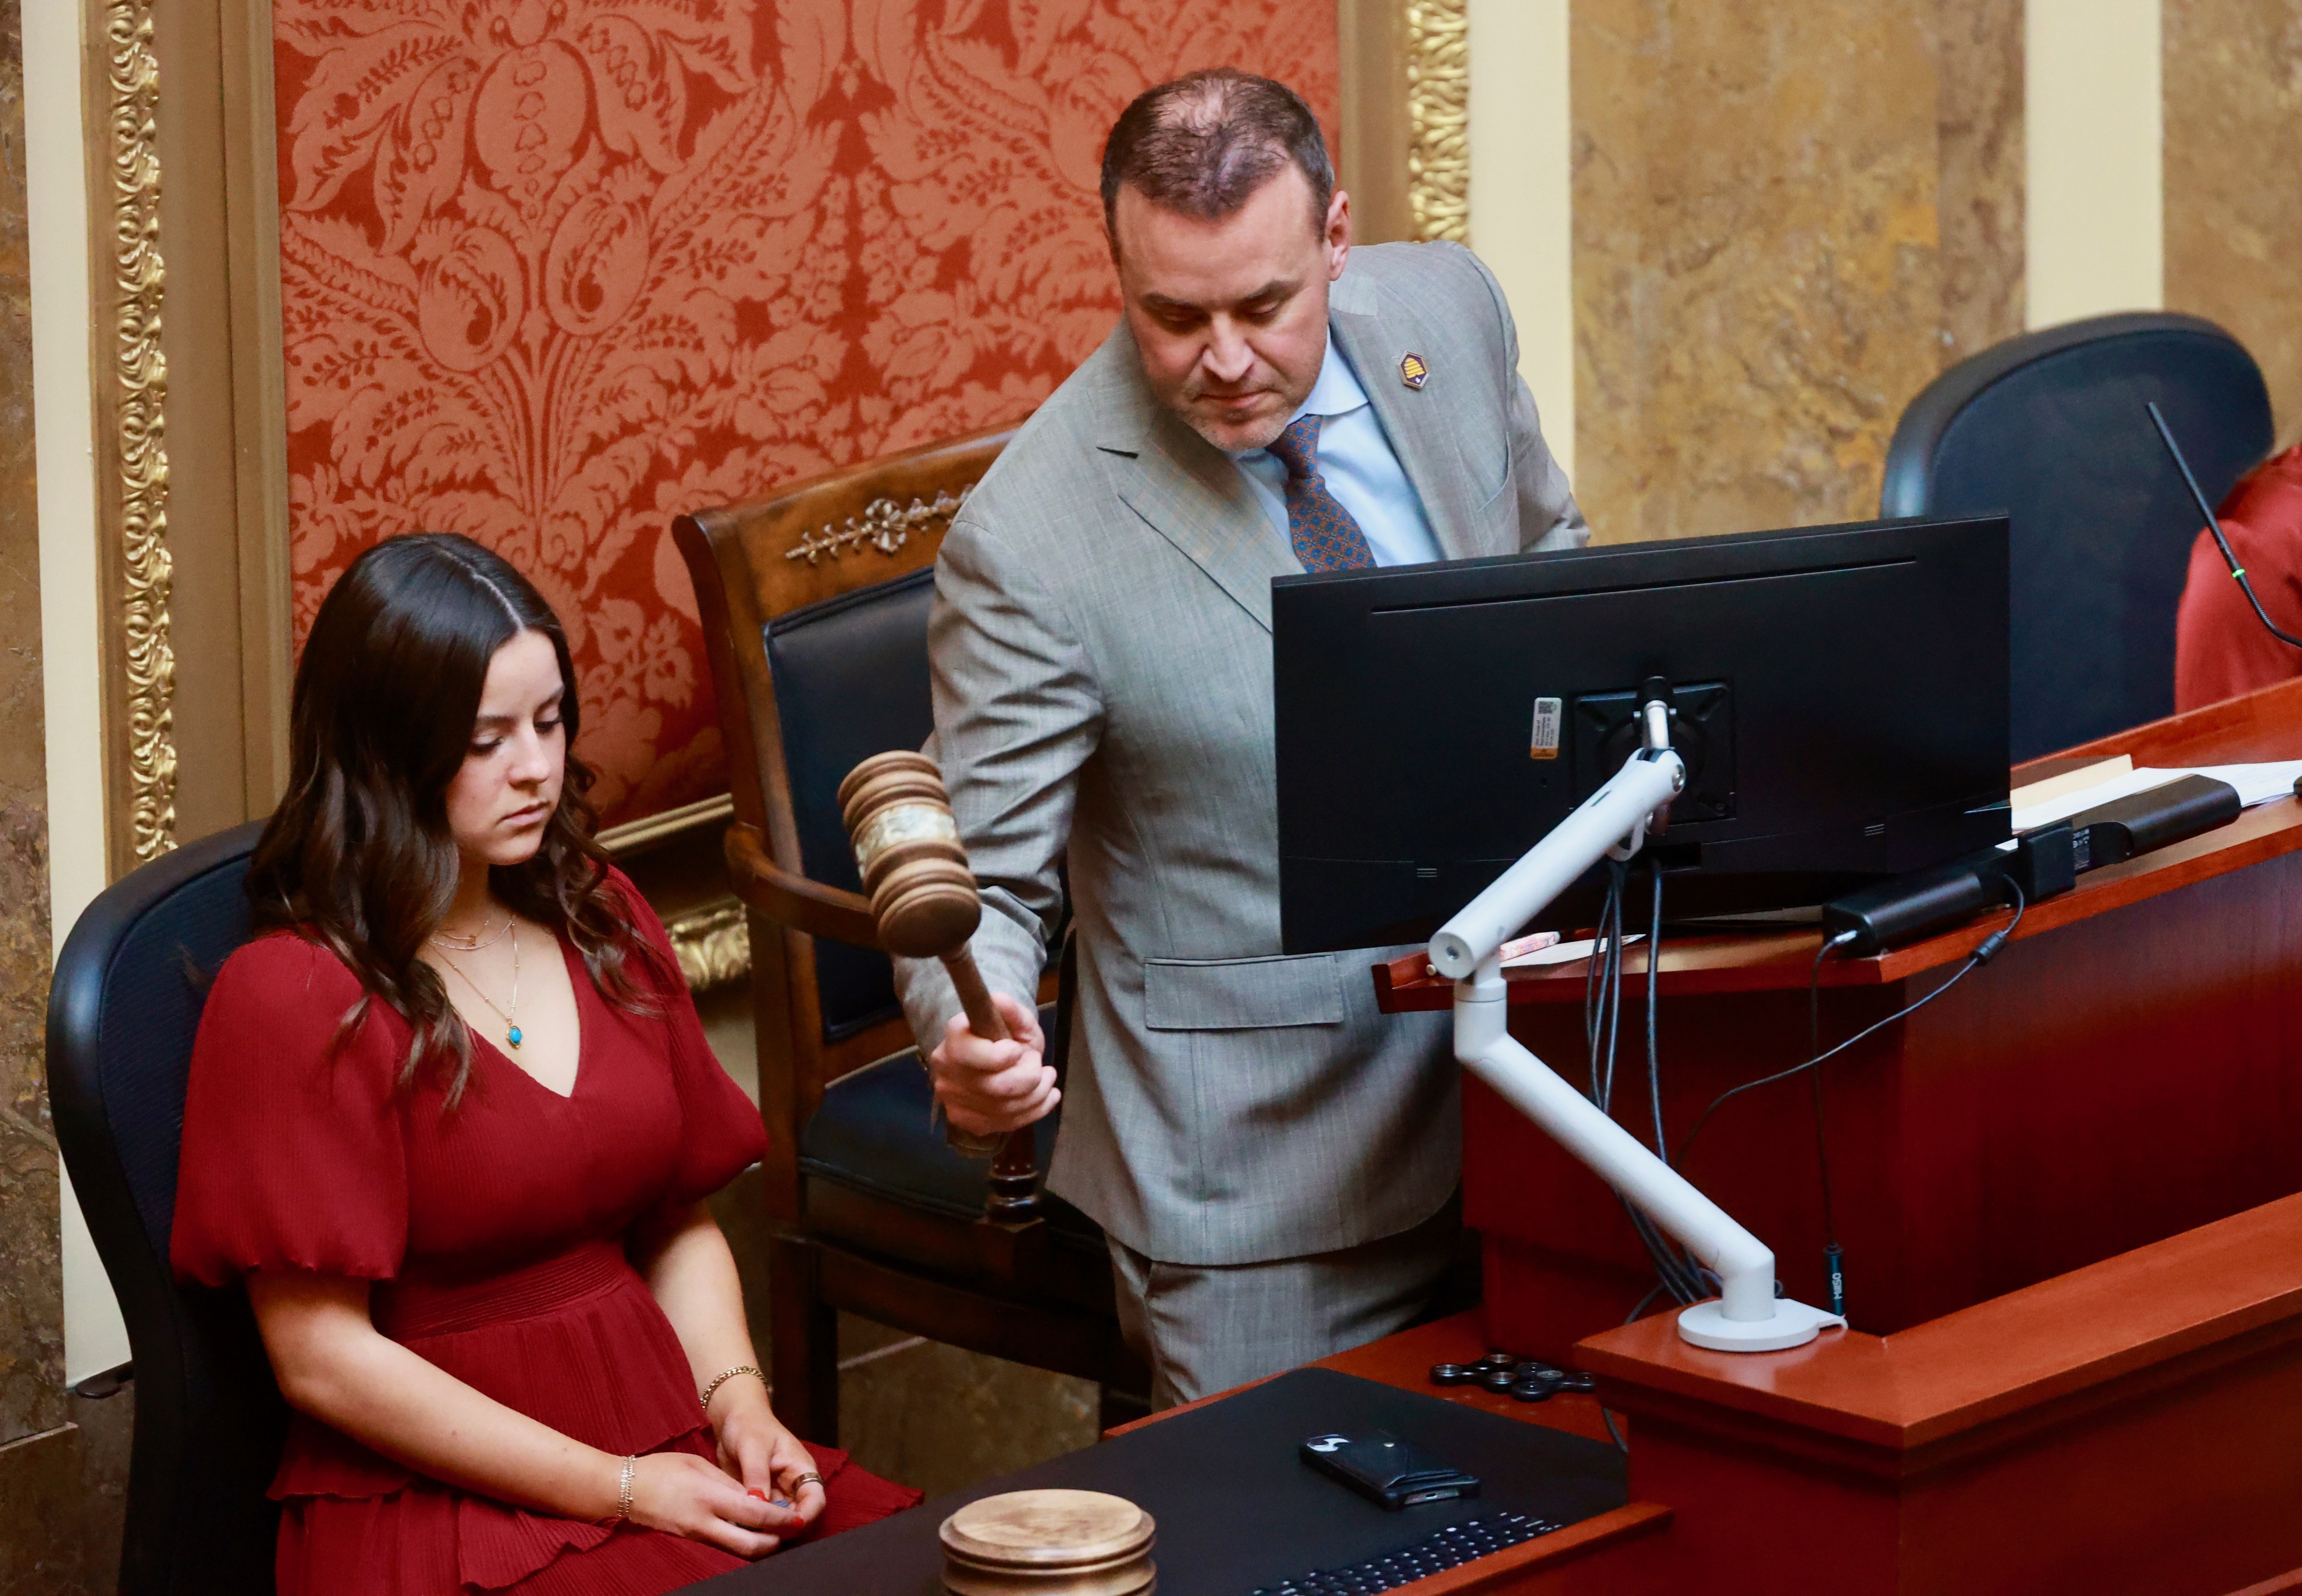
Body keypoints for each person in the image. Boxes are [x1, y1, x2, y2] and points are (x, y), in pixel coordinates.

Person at [892, 69, 1588, 1408]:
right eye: (1172, 316)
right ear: (1117, 275)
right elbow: (980, 883)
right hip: (1266, 1191)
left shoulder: (1449, 307)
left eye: (1263, 306)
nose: (1223, 359)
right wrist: (963, 1037)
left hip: (1535, 1092)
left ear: (1334, 238)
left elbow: (1546, 551)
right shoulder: (1030, 543)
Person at [170, 533, 920, 1595]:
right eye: (485, 739)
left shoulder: (601, 916)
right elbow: (321, 1357)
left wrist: (741, 1404)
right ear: (387, 751)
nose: (535, 766)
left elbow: (675, 1222)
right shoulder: (295, 995)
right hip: (436, 1503)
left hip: (661, 1435)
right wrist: (621, 1486)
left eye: (550, 719)